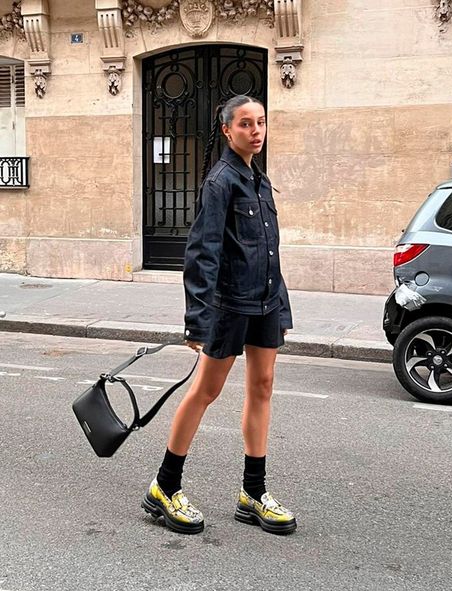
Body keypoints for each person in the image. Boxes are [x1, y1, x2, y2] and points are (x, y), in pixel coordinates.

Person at [141, 95, 296, 535]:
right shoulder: (221, 181)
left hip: (265, 302)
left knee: (262, 387)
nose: (257, 130)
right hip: (229, 305)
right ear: (228, 130)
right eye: (246, 124)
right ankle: (165, 486)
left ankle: (253, 492)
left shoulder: (259, 180)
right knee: (205, 391)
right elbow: (202, 252)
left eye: (261, 122)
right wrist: (198, 316)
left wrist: (280, 304)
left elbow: (268, 250)